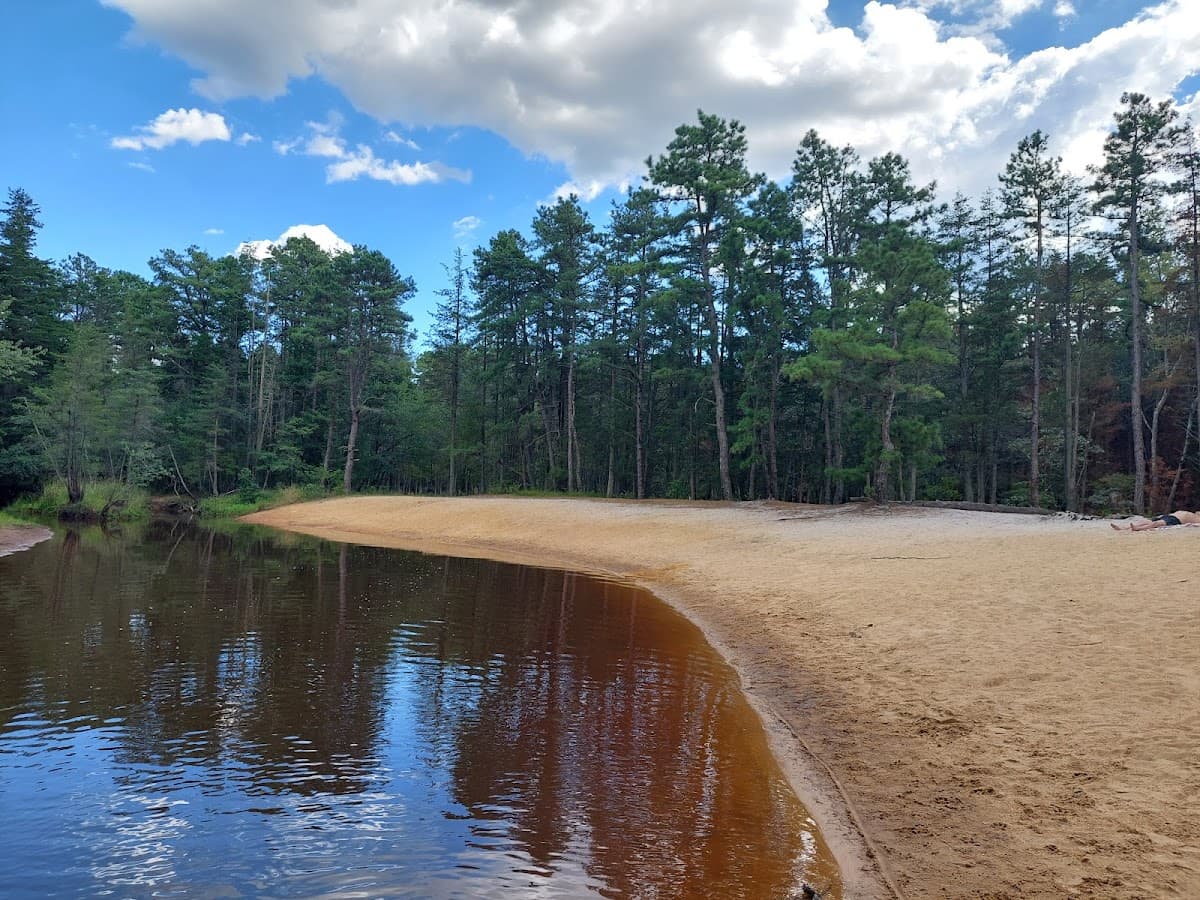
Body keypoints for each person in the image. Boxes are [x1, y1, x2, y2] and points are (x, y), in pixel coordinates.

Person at [1110, 510, 1200, 531]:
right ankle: (1123, 527)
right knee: (1145, 520)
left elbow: (1196, 525)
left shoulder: (1197, 519)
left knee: (1156, 523)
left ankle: (1137, 529)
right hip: (1169, 516)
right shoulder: (1194, 513)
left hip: (1176, 520)